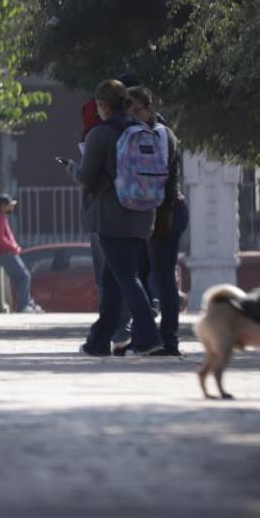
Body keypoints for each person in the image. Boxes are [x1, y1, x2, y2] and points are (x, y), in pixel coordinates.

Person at [73, 79, 162, 356]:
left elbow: (86, 176)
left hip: (111, 216)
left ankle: (148, 337)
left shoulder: (99, 134)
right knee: (112, 282)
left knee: (126, 277)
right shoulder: (141, 129)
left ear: (102, 106)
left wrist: (72, 168)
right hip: (142, 214)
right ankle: (98, 341)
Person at [129, 86, 185, 356]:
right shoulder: (137, 133)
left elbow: (155, 177)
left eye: (136, 110)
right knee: (139, 274)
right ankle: (144, 336)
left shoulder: (161, 135)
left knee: (163, 278)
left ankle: (169, 340)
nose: (131, 116)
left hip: (166, 212)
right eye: (126, 111)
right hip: (146, 213)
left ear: (149, 109)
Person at [0, 195, 37, 312]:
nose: (12, 207)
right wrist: (13, 247)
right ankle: (23, 306)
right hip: (6, 253)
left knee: (19, 278)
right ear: (3, 206)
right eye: (9, 205)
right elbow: (1, 239)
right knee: (24, 277)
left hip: (7, 252)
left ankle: (26, 303)